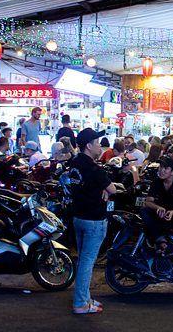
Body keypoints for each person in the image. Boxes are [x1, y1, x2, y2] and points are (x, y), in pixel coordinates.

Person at [68, 128, 116, 315]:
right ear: (89, 146)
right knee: (87, 263)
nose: (101, 146)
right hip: (94, 220)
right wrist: (104, 189)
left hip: (78, 217)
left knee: (83, 261)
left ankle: (85, 297)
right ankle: (80, 303)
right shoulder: (93, 168)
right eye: (97, 143)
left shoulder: (75, 163)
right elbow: (112, 189)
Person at [140, 155, 173, 264]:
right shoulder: (156, 182)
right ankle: (160, 239)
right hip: (161, 214)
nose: (161, 170)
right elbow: (148, 201)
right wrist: (158, 208)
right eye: (160, 167)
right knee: (144, 211)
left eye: (165, 168)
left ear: (172, 171)